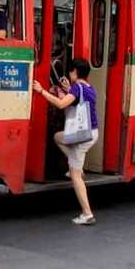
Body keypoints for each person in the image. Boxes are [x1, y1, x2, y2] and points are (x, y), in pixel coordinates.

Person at [32, 58, 99, 226]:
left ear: (75, 72)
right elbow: (76, 101)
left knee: (75, 176)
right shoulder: (89, 88)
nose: (69, 74)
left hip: (81, 135)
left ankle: (87, 213)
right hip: (92, 132)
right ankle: (75, 164)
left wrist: (42, 91)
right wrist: (68, 90)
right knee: (58, 137)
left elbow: (62, 104)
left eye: (71, 71)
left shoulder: (77, 88)